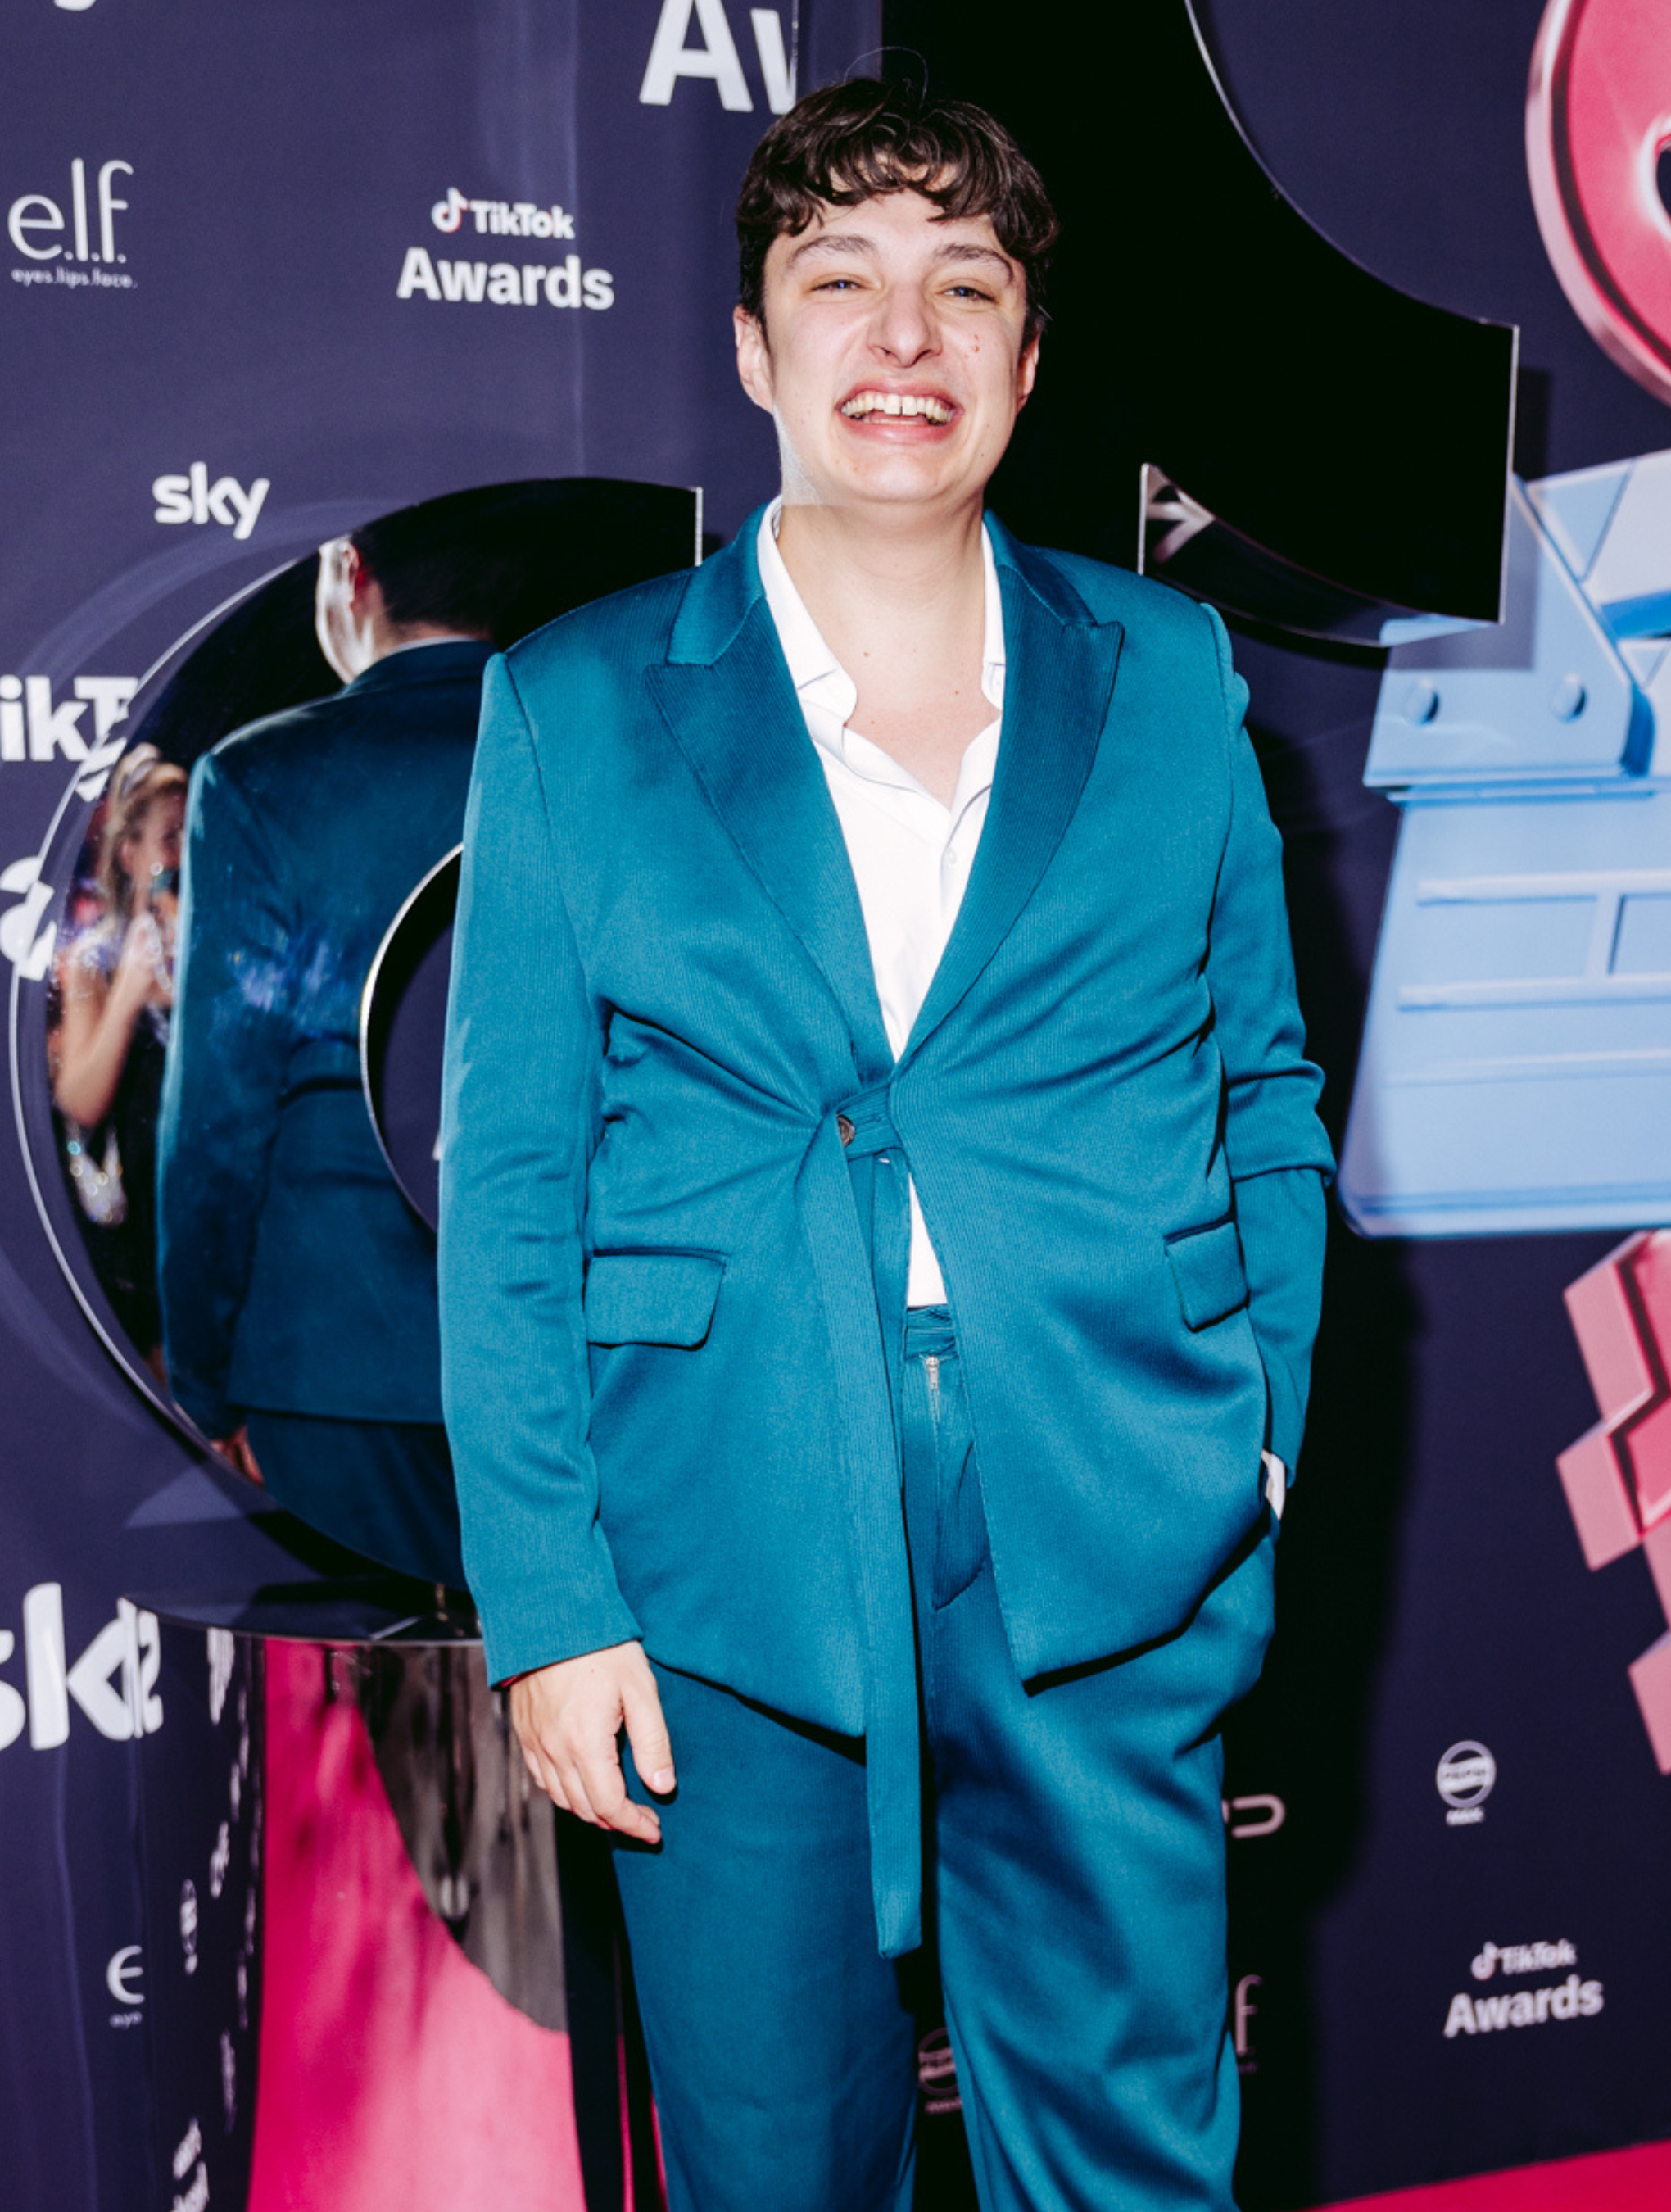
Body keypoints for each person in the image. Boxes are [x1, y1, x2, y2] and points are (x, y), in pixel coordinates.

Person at [439, 77, 1334, 2212]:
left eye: (963, 285)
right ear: (756, 347)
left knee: (1128, 2162)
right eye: (840, 281)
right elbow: (510, 1199)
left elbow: (1268, 1095)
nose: (901, 338)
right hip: (720, 1542)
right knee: (771, 2166)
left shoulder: (1174, 675)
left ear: (1032, 355)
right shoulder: (574, 705)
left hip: (1111, 1510)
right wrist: (549, 1602)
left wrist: (1262, 1432)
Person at [157, 496, 502, 1583]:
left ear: (349, 575)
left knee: (372, 1721)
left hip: (332, 1365)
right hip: (565, 1357)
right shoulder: (597, 746)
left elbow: (217, 1115)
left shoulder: (264, 776)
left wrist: (202, 1379)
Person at [52, 746, 187, 1363]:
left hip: (203, 1213)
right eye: (170, 836)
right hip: (135, 1233)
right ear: (130, 854)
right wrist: (131, 992)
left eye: (194, 832)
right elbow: (79, 1098)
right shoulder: (94, 960)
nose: (182, 854)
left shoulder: (219, 946)